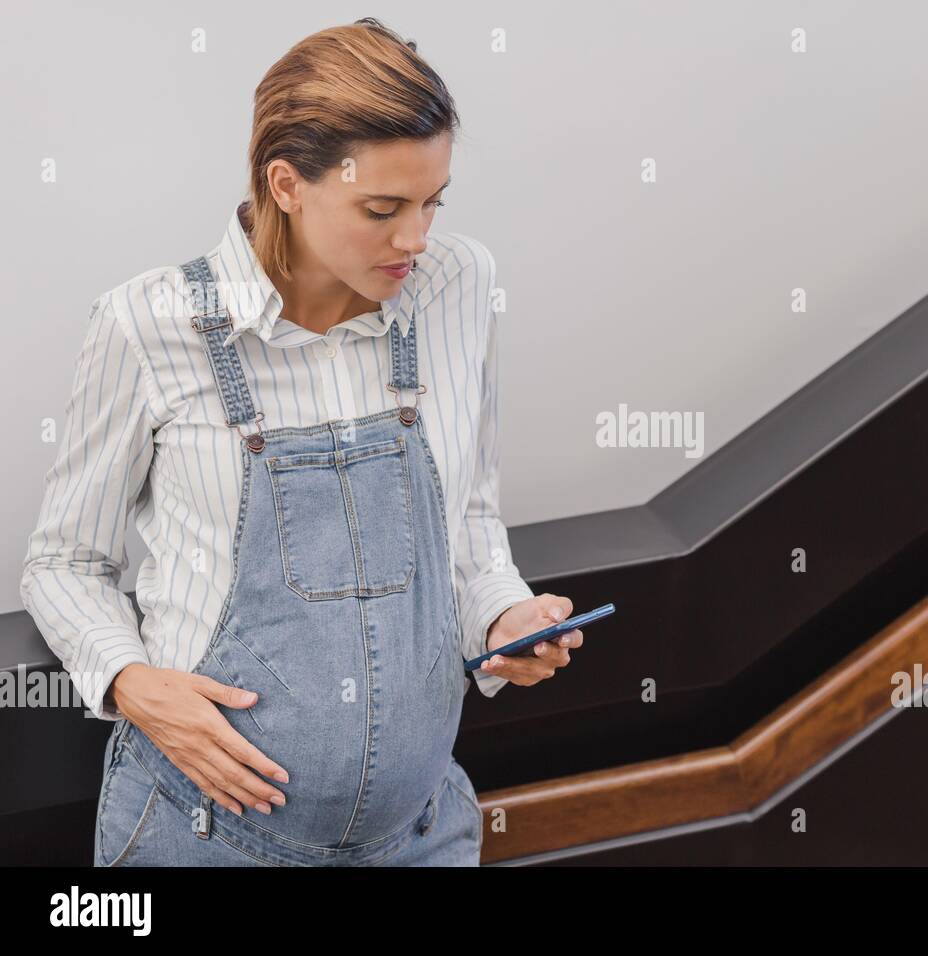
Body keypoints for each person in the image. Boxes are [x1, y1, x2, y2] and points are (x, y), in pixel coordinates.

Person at [19, 17, 581, 866]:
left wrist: (506, 615)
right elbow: (63, 565)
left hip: (421, 836)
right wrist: (133, 687)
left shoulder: (460, 287)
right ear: (286, 183)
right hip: (200, 835)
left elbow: (465, 520)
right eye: (382, 209)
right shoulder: (147, 324)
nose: (416, 240)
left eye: (433, 203)